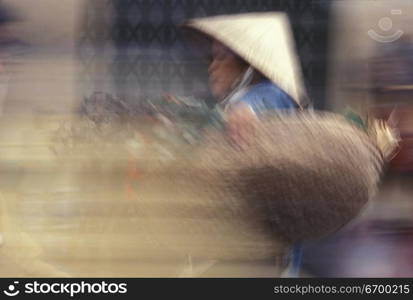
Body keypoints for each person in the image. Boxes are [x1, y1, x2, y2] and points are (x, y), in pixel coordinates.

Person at [180, 12, 308, 276]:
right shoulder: (226, 110)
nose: (211, 66)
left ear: (249, 67)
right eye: (211, 57)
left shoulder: (269, 96)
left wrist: (247, 110)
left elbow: (267, 102)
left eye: (221, 57)